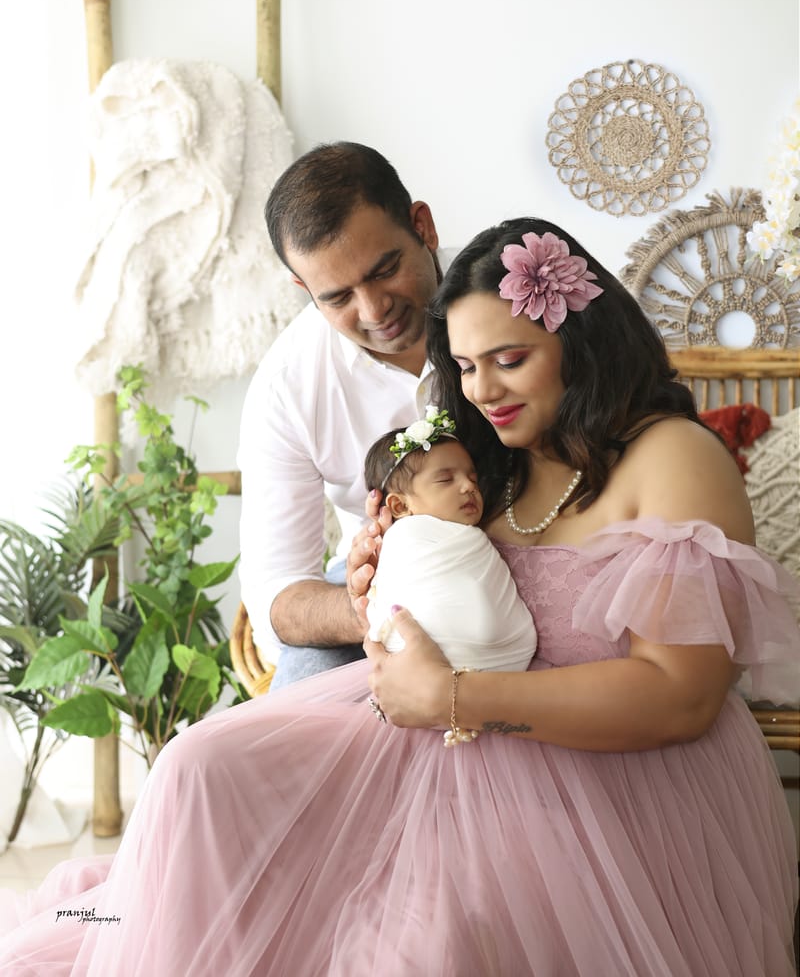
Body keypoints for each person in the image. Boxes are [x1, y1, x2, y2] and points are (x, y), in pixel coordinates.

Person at [1, 218, 798, 976]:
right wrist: (378, 575)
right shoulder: (492, 458)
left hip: (608, 771)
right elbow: (415, 584)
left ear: (577, 343)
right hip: (447, 731)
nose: (484, 390)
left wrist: (455, 697)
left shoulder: (673, 456)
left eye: (510, 359)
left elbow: (680, 698)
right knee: (196, 768)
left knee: (409, 940)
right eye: (466, 366)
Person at [238, 140, 448, 688]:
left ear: (421, 227)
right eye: (337, 297)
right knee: (292, 726)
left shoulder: (513, 301)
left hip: (533, 551)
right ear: (303, 289)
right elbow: (278, 596)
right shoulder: (286, 386)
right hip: (377, 590)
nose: (374, 310)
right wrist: (367, 604)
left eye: (385, 270)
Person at [363, 406, 536, 687]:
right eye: (445, 479)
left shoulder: (471, 538)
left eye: (473, 478)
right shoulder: (406, 537)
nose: (468, 487)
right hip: (426, 666)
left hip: (501, 669)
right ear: (400, 505)